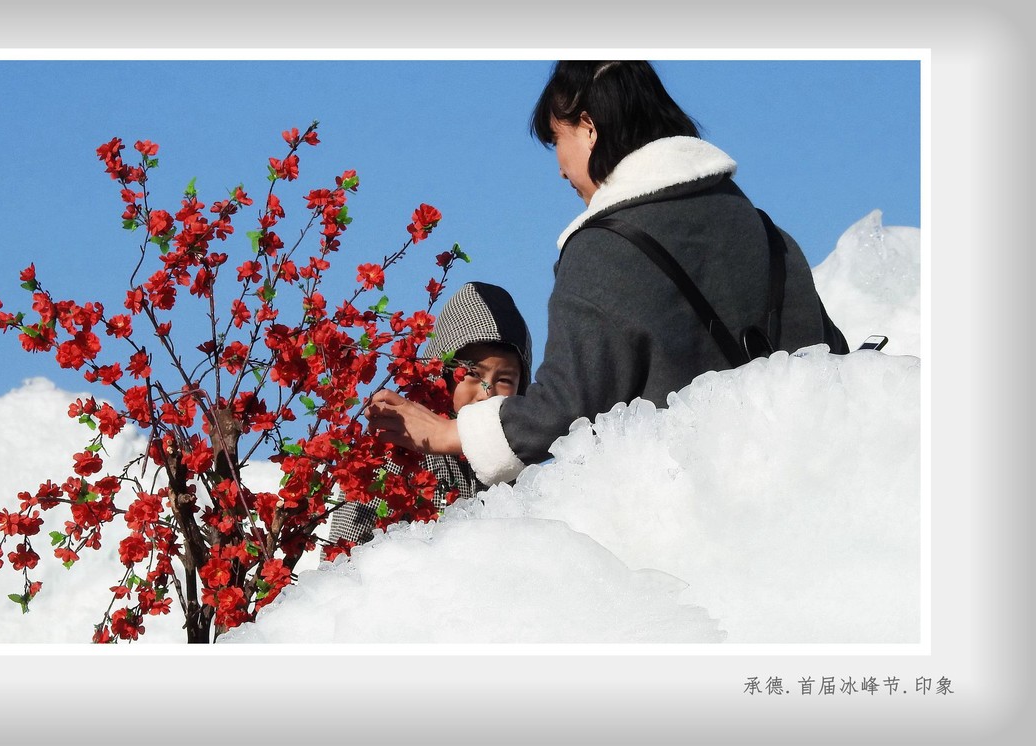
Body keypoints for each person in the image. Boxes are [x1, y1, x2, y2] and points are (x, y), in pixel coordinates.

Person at [367, 60, 849, 488]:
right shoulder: (764, 231)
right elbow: (833, 361)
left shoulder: (604, 249)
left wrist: (449, 433)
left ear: (588, 127)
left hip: (689, 519)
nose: (561, 170)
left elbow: (563, 407)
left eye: (557, 139)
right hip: (804, 497)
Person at [327, 281, 533, 545]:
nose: (486, 393)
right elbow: (348, 550)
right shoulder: (396, 450)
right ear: (441, 372)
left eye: (504, 380)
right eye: (472, 373)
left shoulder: (520, 472)